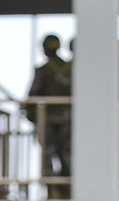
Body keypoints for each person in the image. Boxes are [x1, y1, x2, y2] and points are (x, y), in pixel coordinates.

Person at [26, 34, 71, 199]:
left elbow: (33, 96)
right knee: (66, 155)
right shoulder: (70, 69)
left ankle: (53, 188)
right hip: (67, 120)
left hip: (49, 120)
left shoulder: (44, 70)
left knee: (48, 155)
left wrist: (31, 115)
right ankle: (67, 188)